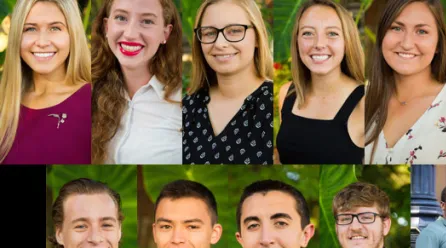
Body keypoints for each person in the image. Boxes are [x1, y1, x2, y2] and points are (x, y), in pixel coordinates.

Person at [365, 0, 446, 165]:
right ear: (382, 36)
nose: (406, 43)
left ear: (438, 44)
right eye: (396, 28)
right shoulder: (359, 98)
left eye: (421, 31)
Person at [91, 0, 182, 164]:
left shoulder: (186, 100)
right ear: (106, 27)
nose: (130, 33)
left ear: (165, 33)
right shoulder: (84, 92)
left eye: (147, 21)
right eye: (121, 17)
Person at [0, 0, 91, 164]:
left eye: (55, 28)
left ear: (73, 34)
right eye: (30, 29)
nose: (42, 42)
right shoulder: (4, 103)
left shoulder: (96, 101)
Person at [183, 0, 274, 165]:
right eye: (209, 33)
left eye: (234, 31)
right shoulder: (186, 107)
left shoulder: (275, 103)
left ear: (257, 38)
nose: (220, 44)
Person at [276, 0, 365, 164]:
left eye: (332, 33)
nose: (319, 44)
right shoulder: (287, 93)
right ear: (296, 41)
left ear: (347, 41)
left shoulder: (366, 102)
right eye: (308, 33)